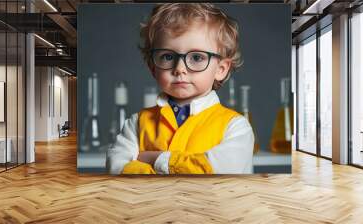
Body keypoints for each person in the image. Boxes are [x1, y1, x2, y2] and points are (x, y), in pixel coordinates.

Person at [107, 3, 254, 174]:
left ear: (221, 69)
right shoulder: (137, 123)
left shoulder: (236, 127)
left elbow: (215, 171)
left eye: (197, 57)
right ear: (153, 67)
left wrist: (156, 159)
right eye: (168, 56)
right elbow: (117, 168)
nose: (179, 68)